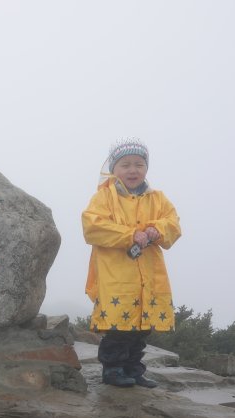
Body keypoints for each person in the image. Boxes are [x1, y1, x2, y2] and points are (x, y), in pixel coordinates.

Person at [82, 138, 181, 388]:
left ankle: (134, 369)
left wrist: (155, 230)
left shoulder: (158, 199)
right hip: (116, 275)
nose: (133, 170)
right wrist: (129, 235)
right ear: (114, 170)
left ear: (146, 168)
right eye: (125, 165)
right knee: (118, 327)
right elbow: (92, 227)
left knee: (141, 328)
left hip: (148, 274)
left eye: (139, 164)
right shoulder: (104, 197)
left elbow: (173, 224)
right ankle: (112, 370)